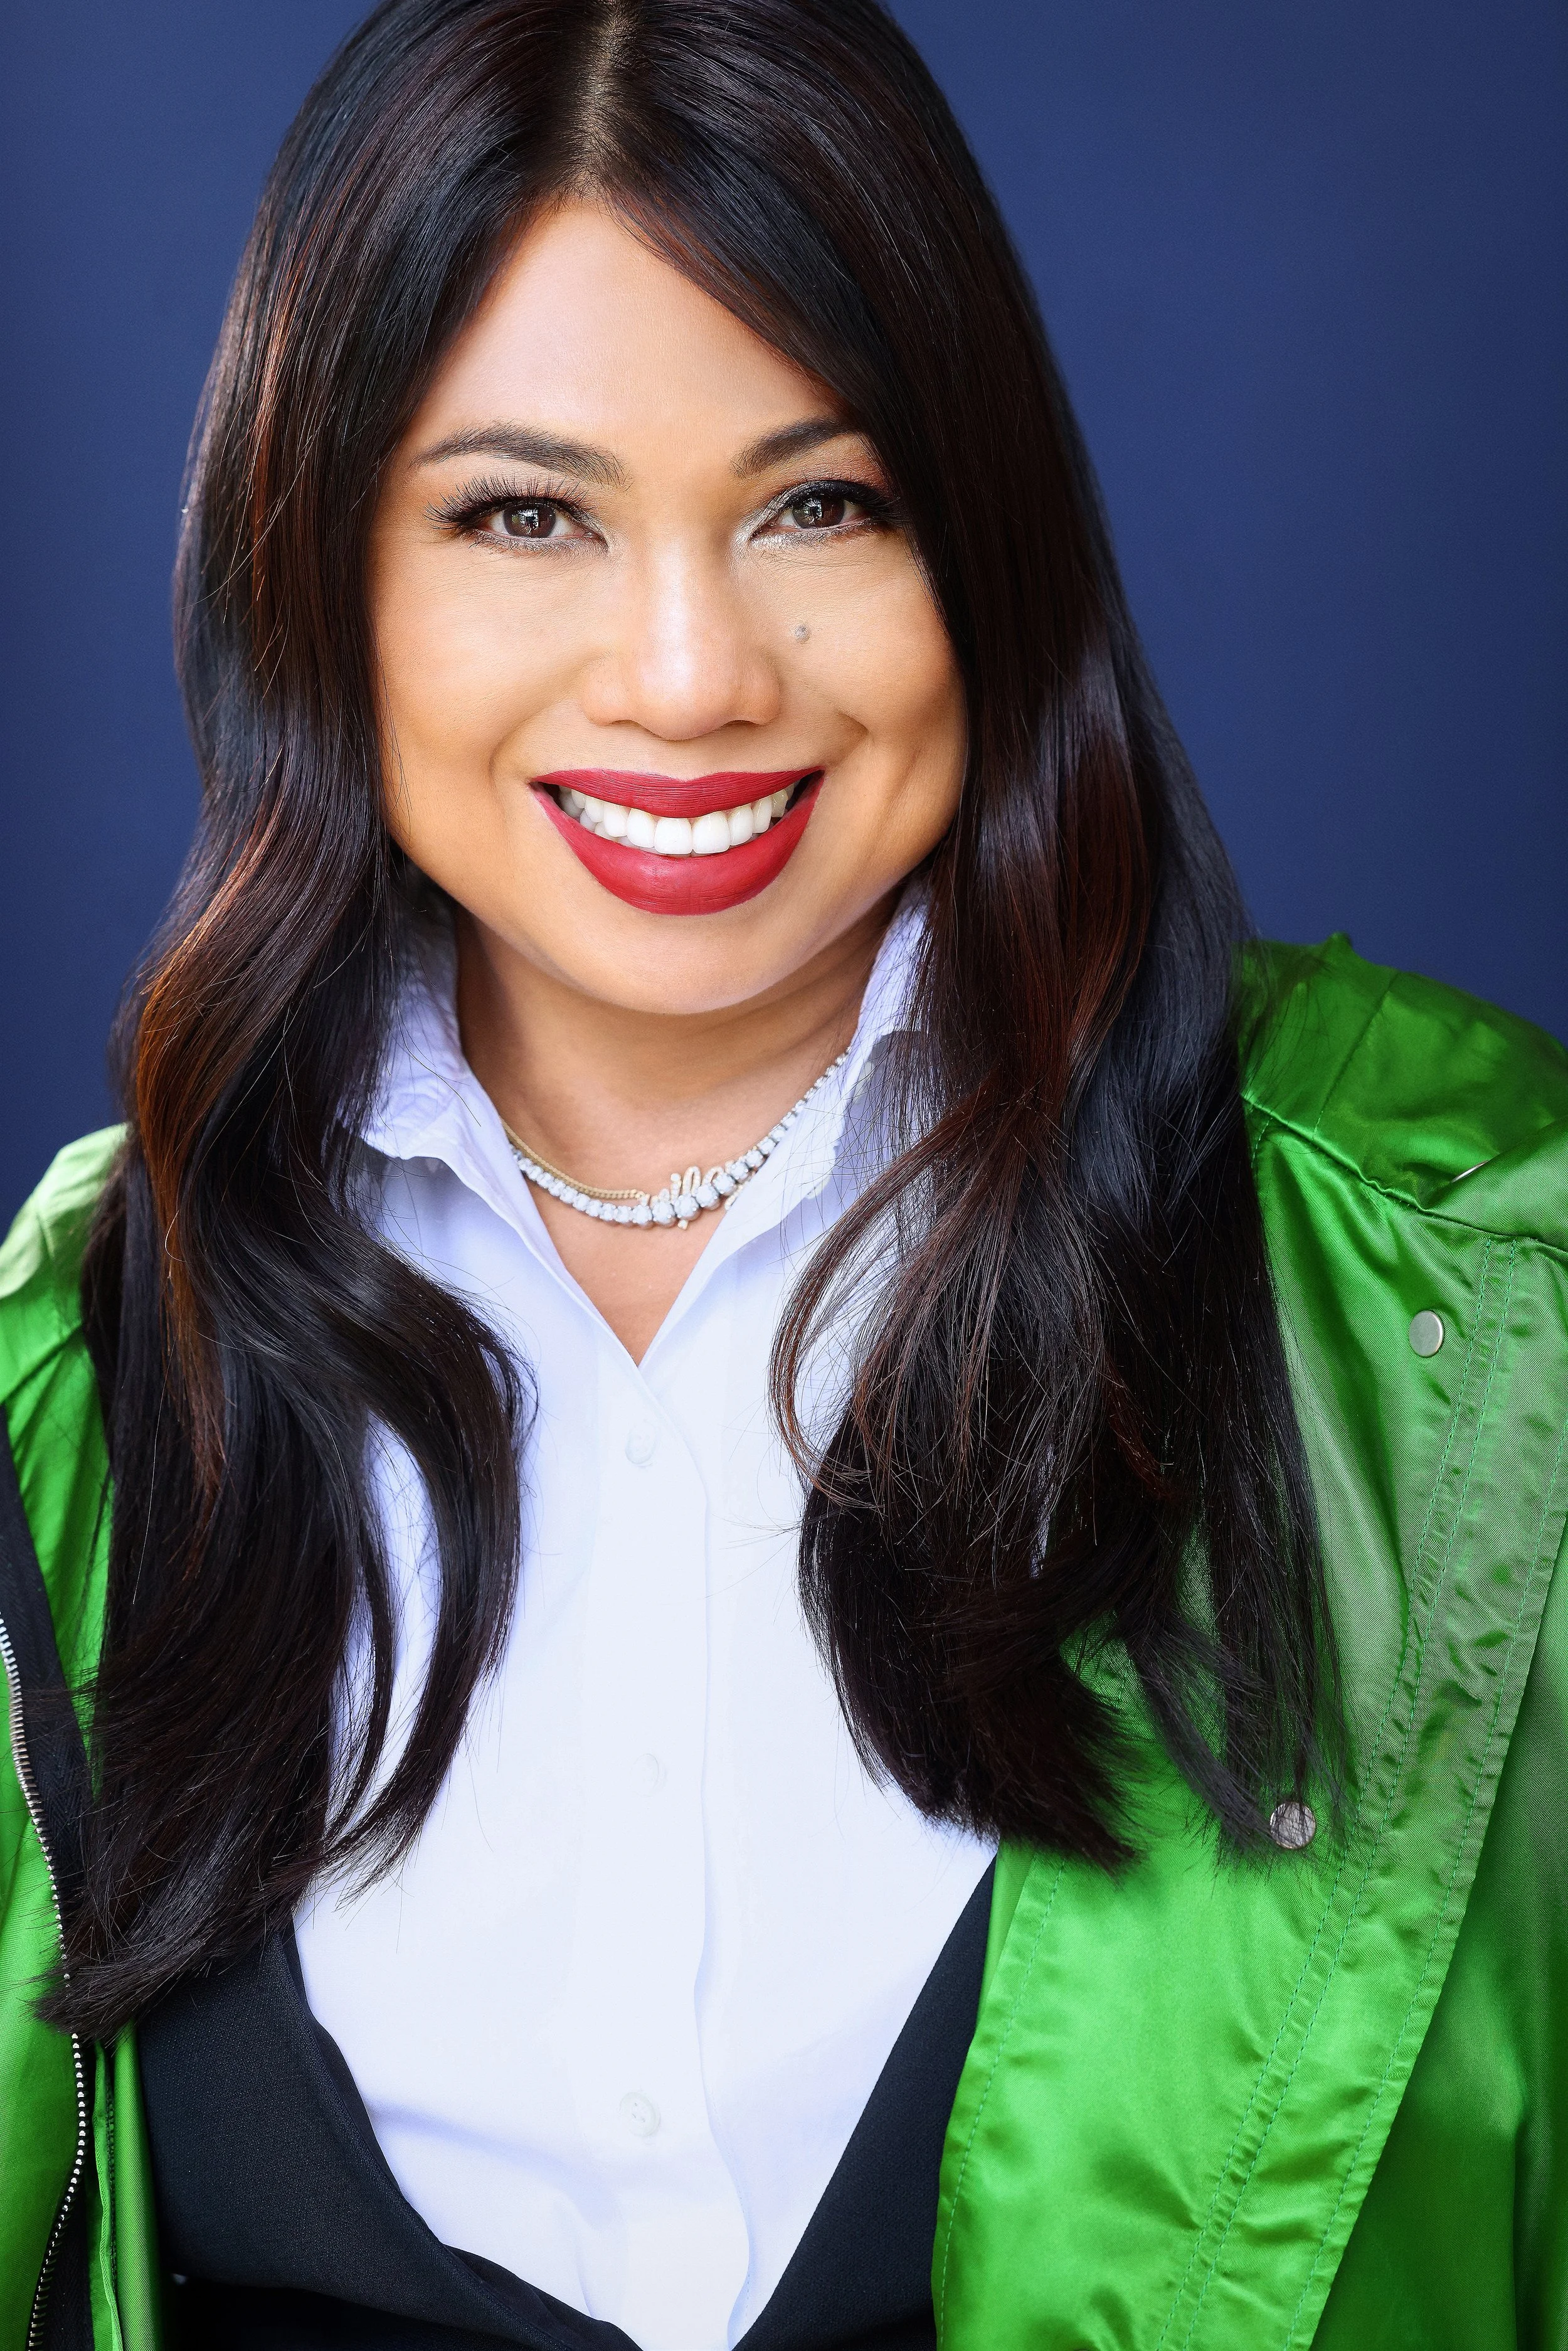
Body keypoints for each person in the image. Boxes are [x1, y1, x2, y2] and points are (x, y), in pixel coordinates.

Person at [3, 0, 1564, 2343]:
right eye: (523, 514)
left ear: (988, 547)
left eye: (819, 504)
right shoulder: (67, 1383)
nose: (687, 674)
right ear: (312, 566)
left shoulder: (1483, 1297)